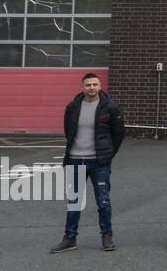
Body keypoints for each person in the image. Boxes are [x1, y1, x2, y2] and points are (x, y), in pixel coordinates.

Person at [51, 73, 124, 253]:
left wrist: (107, 154)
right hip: (75, 160)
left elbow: (118, 134)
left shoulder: (111, 107)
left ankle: (107, 237)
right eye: (88, 84)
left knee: (103, 202)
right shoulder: (73, 107)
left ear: (100, 86)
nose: (92, 87)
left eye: (95, 84)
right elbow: (68, 130)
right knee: (74, 202)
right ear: (82, 87)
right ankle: (70, 238)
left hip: (99, 163)